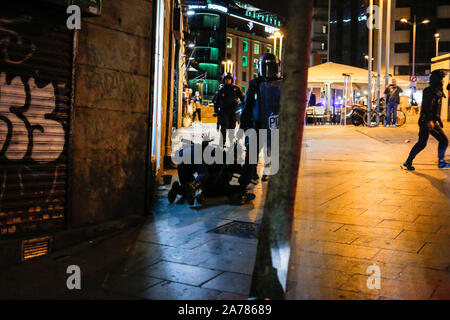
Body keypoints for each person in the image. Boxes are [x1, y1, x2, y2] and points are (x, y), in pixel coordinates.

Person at [168, 135, 255, 206]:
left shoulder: (224, 158)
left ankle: (178, 189)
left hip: (183, 155)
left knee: (187, 185)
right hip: (193, 154)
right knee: (203, 175)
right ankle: (193, 187)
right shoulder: (223, 155)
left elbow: (240, 170)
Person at [239, 53, 282, 187]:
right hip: (256, 122)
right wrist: (244, 124)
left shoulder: (281, 84)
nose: (268, 70)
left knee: (271, 148)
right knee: (252, 151)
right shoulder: (255, 83)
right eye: (265, 67)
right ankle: (250, 175)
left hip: (272, 121)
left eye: (271, 67)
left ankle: (268, 170)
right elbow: (248, 104)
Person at [402, 69, 449, 170]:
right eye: (442, 79)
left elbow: (435, 107)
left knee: (422, 143)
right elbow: (428, 106)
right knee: (443, 140)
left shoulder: (437, 90)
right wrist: (429, 121)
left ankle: (408, 162)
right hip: (427, 121)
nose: (443, 81)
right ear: (438, 80)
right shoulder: (431, 91)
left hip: (428, 120)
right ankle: (441, 162)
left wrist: (438, 119)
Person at [213, 73, 245, 146]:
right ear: (224, 80)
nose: (228, 81)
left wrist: (242, 105)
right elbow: (216, 101)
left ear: (231, 80)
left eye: (229, 79)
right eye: (226, 79)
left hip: (233, 111)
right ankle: (222, 143)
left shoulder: (236, 89)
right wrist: (216, 111)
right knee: (223, 128)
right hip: (224, 111)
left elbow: (243, 98)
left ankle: (231, 142)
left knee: (232, 128)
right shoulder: (221, 90)